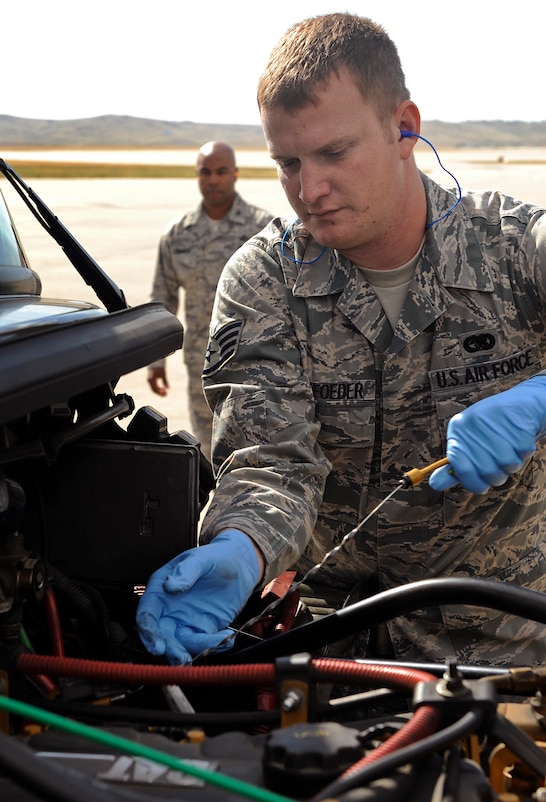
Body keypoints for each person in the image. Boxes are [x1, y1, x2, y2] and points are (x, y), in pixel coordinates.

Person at [137, 13, 546, 669]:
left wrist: (542, 397)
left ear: (403, 127)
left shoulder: (516, 250)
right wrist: (241, 547)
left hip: (503, 656)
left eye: (334, 153)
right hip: (328, 652)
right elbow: (272, 463)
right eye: (288, 163)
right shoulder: (264, 280)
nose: (309, 190)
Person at [146, 141, 272, 459]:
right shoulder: (178, 234)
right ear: (197, 176)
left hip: (258, 364)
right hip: (203, 365)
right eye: (205, 172)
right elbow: (163, 297)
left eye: (221, 171)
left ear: (235, 175)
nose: (213, 179)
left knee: (258, 452)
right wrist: (156, 360)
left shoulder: (262, 230)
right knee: (206, 451)